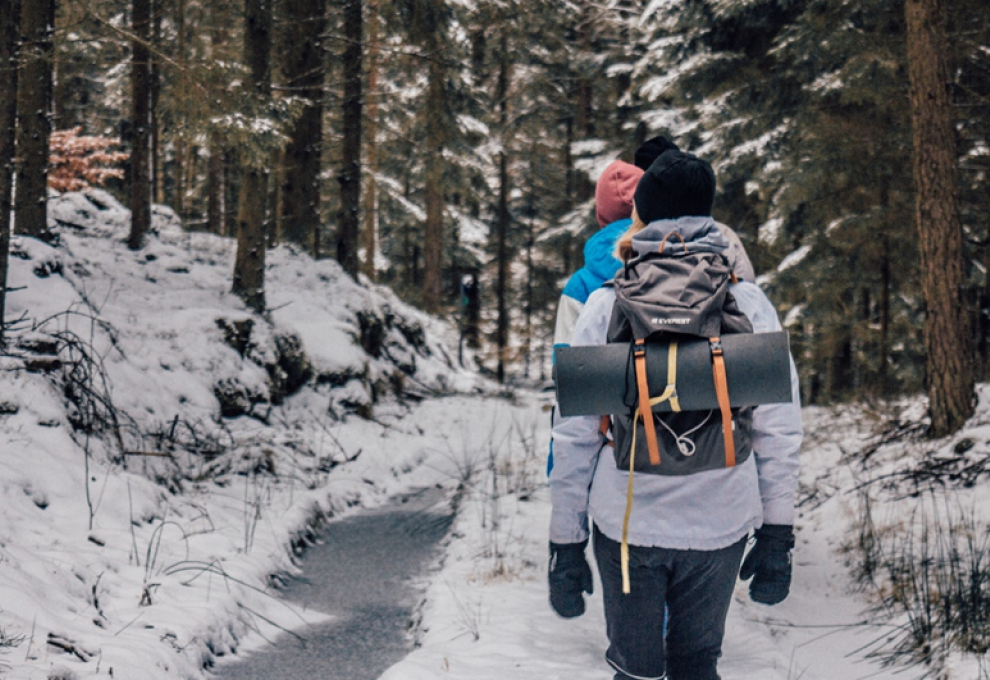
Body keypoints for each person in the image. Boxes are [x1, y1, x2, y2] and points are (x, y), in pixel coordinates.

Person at [548, 149, 803, 680]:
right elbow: (778, 429)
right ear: (711, 213)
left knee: (636, 673)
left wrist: (564, 543)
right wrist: (777, 534)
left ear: (641, 212)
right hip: (721, 521)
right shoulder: (749, 303)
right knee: (695, 666)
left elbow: (574, 437)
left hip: (626, 521)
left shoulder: (605, 303)